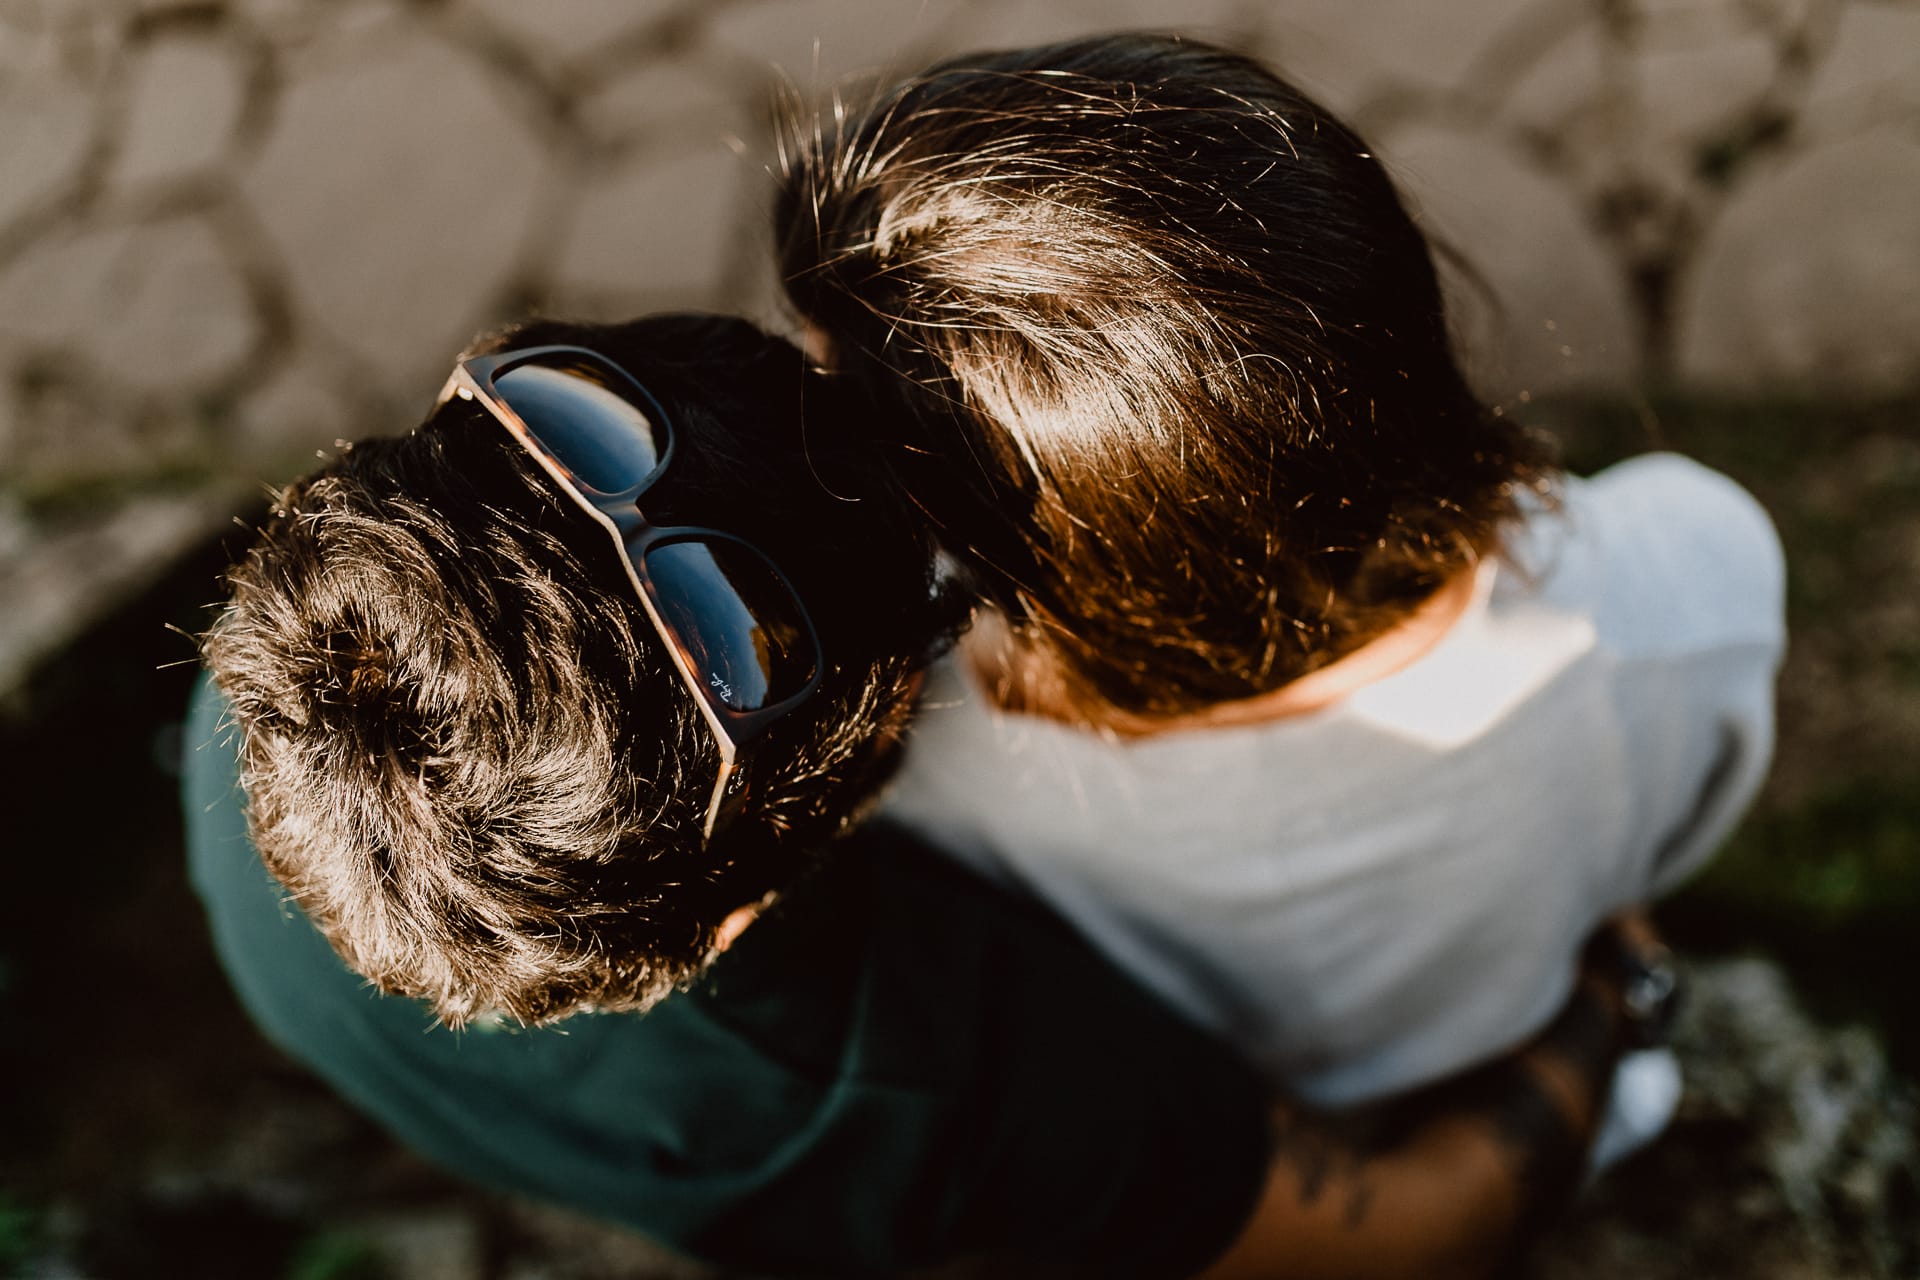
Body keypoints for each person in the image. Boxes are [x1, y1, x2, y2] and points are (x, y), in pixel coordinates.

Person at [189, 312, 1661, 1278]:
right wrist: (1621, 987)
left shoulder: (296, 691)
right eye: (940, 601)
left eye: (565, 389)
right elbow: (1399, 1235)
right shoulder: (940, 1082)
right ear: (730, 918)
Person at [776, 33, 1784, 1117]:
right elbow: (1676, 827)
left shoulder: (921, 759)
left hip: (1220, 1149)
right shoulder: (1676, 587)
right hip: (1541, 1087)